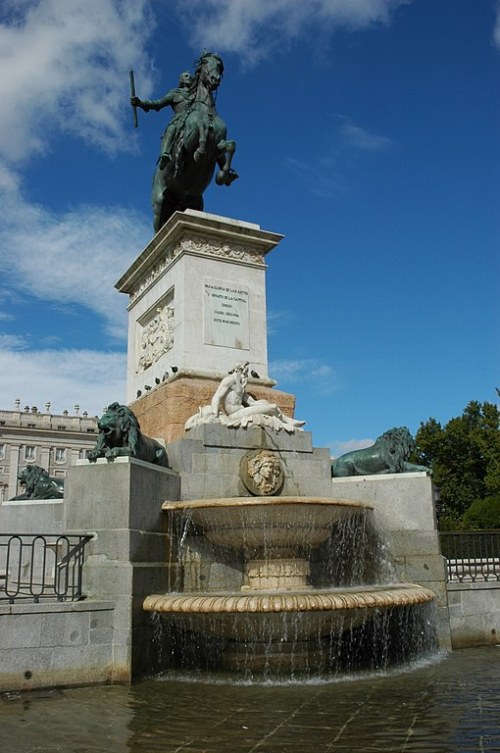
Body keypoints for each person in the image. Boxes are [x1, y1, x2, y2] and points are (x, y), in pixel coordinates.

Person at [211, 362, 305, 429]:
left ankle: (286, 422)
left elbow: (252, 403)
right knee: (273, 407)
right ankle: (289, 422)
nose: (246, 374)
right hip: (234, 415)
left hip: (241, 411)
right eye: (245, 372)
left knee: (266, 403)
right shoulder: (229, 381)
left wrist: (264, 404)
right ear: (239, 370)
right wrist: (215, 415)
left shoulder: (240, 387)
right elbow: (217, 396)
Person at [131, 71, 193, 169]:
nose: (189, 77)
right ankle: (165, 154)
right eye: (186, 76)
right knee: (171, 128)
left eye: (190, 76)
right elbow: (158, 103)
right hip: (180, 120)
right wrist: (141, 103)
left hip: (196, 119)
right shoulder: (174, 93)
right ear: (181, 79)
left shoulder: (197, 95)